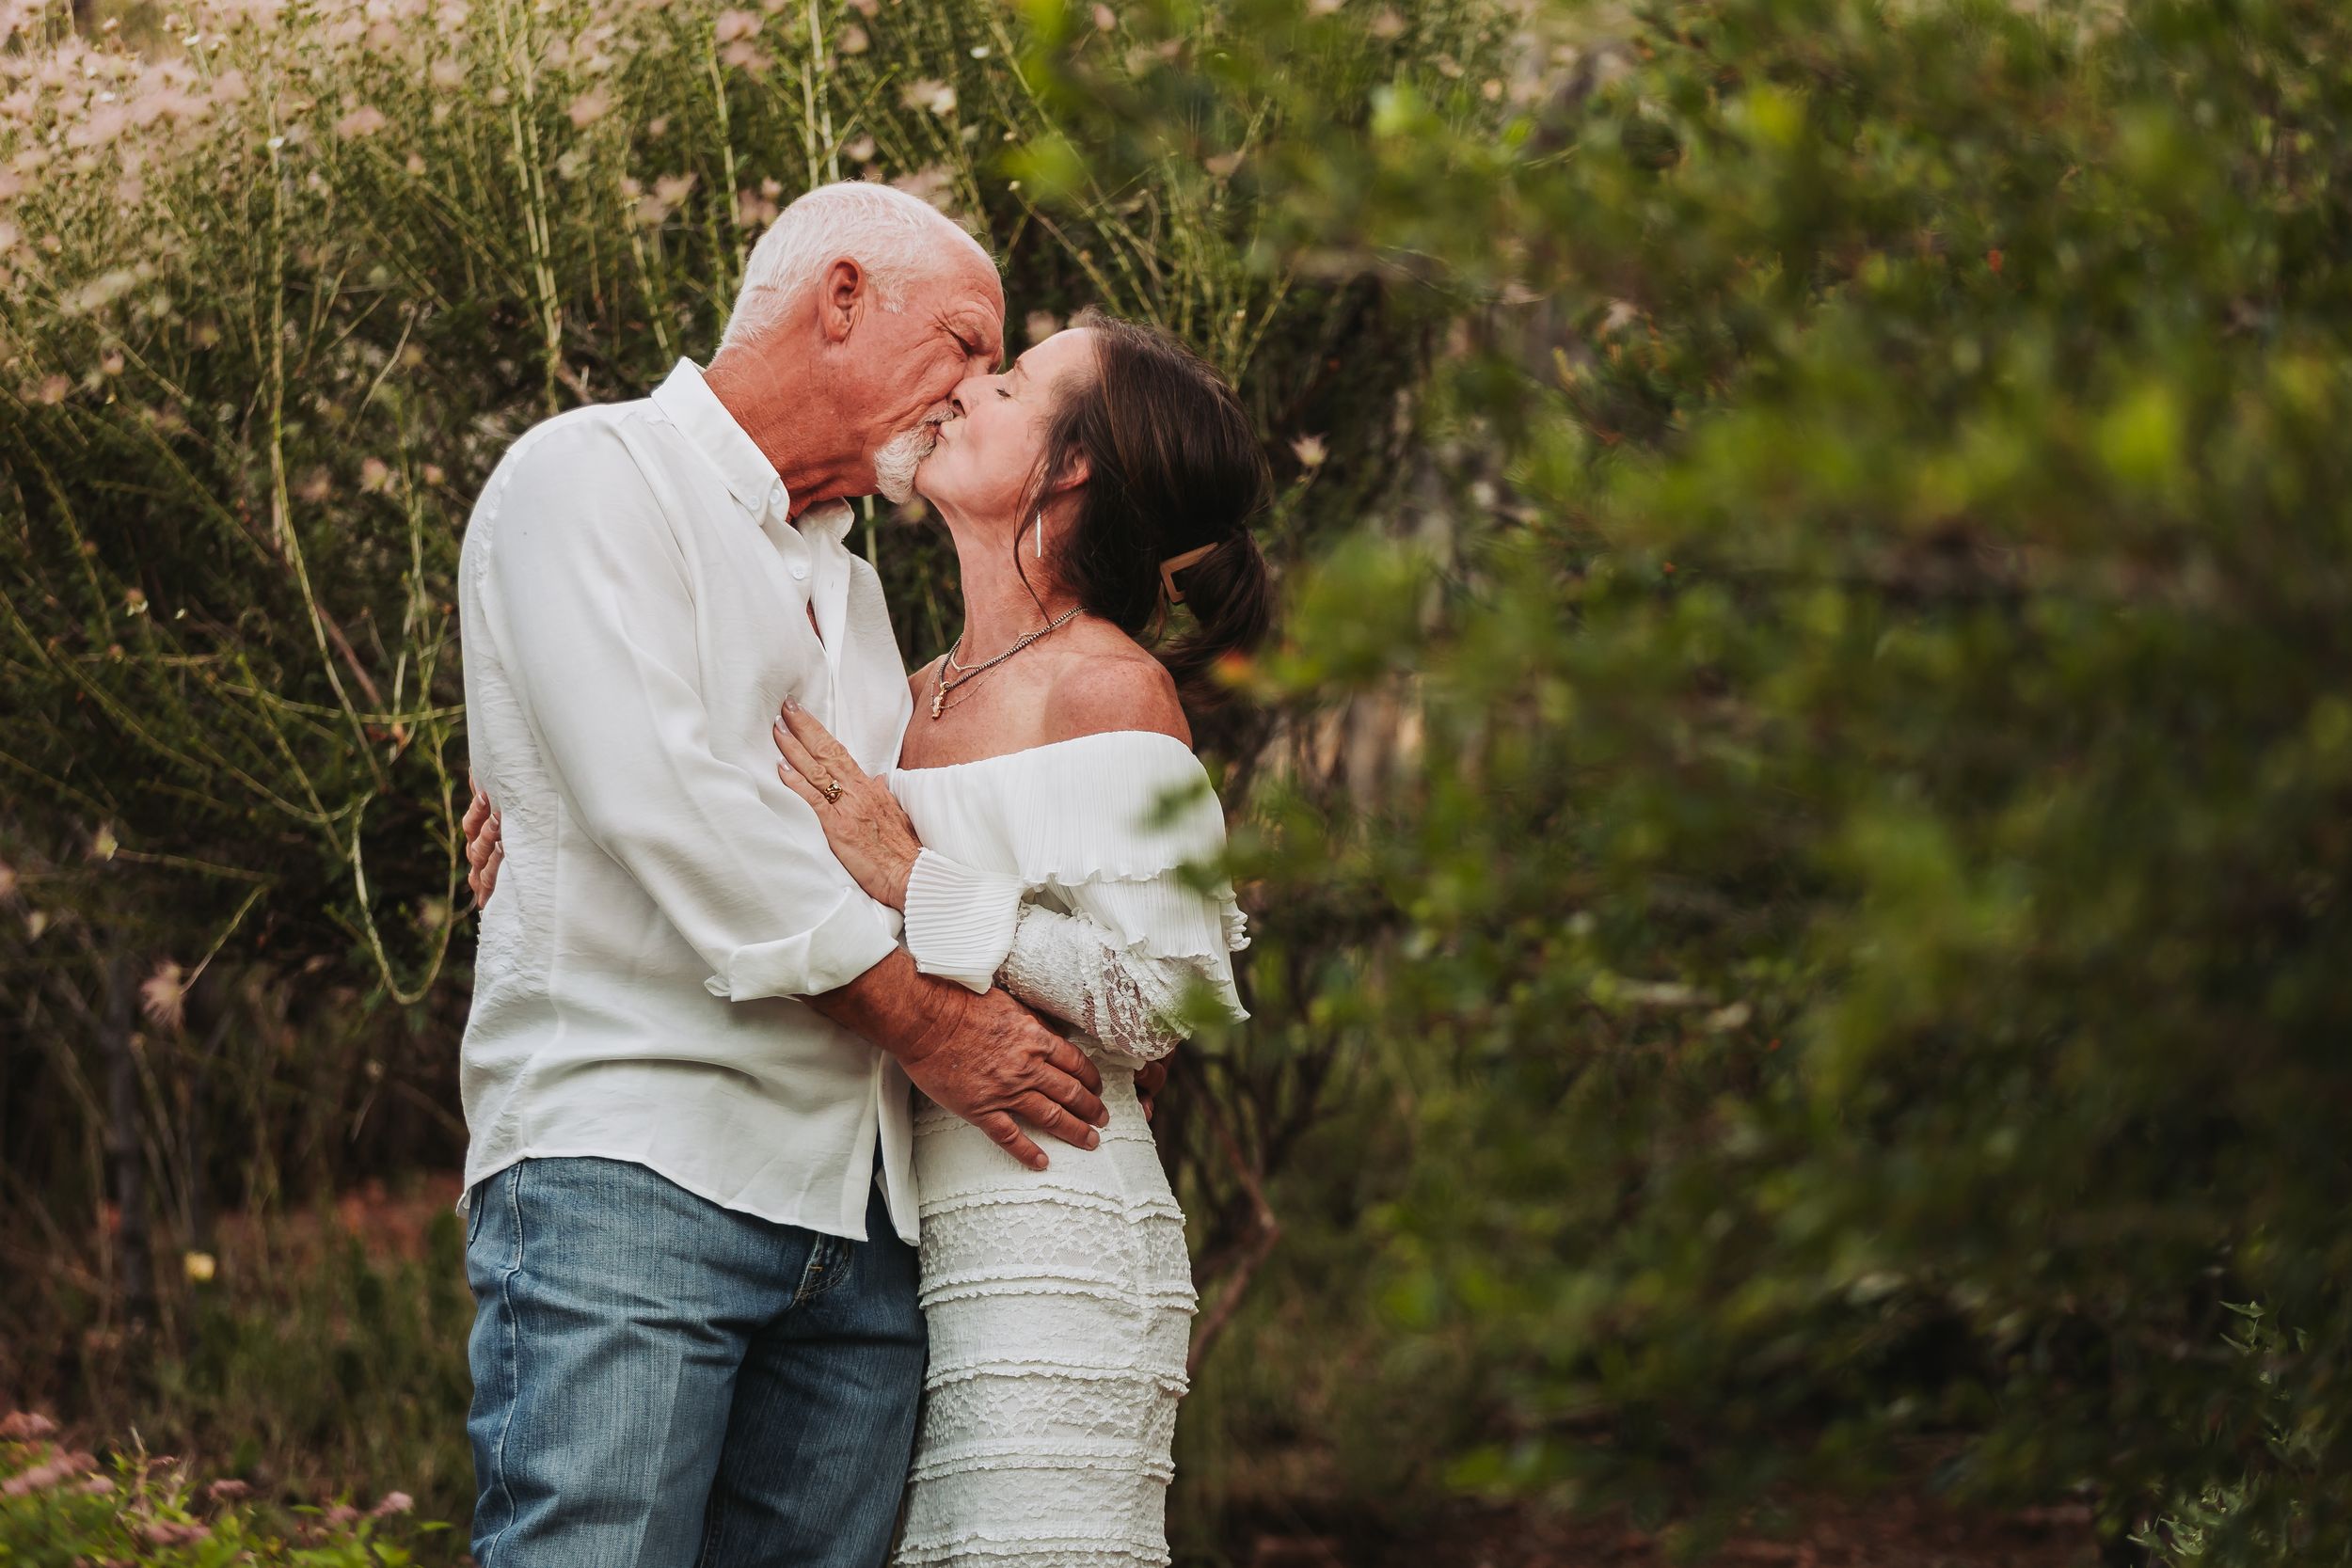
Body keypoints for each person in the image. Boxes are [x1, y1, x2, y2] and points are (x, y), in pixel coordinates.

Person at [469, 311, 1275, 1566]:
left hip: (1053, 1232)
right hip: (909, 1244)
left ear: (1069, 465)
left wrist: (919, 879)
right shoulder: (899, 693)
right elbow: (712, 801)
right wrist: (539, 806)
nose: (966, 393)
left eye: (1009, 383)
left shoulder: (1111, 687)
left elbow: (1162, 1001)